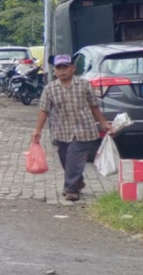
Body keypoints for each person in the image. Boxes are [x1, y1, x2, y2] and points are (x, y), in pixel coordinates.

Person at [31, 54, 113, 202]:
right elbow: (44, 110)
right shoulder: (50, 89)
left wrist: (103, 123)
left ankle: (70, 189)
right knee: (66, 160)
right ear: (54, 70)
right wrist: (37, 130)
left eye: (65, 67)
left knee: (74, 158)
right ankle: (78, 181)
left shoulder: (84, 84)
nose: (62, 71)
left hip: (84, 129)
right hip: (62, 131)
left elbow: (94, 106)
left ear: (73, 68)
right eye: (58, 68)